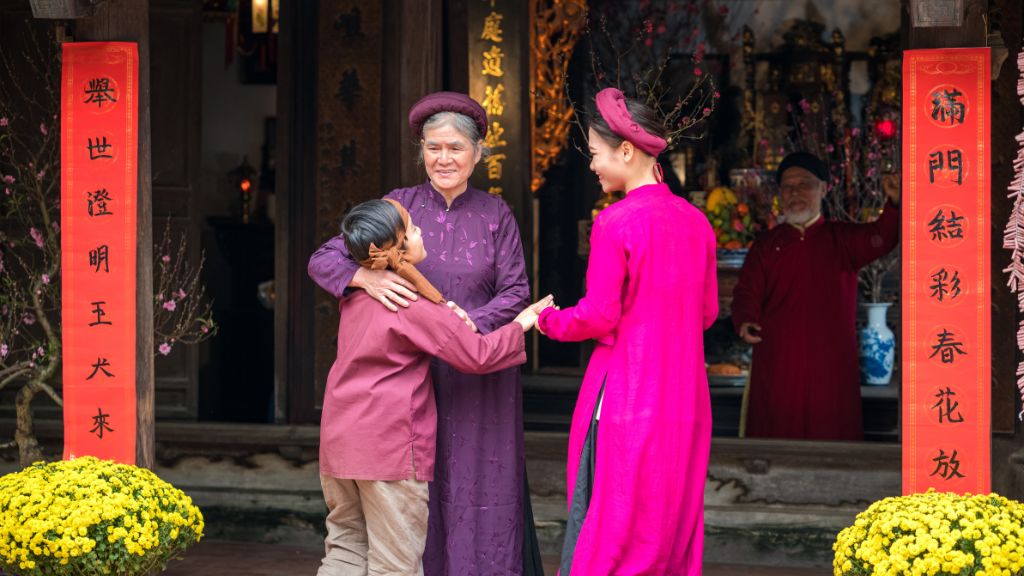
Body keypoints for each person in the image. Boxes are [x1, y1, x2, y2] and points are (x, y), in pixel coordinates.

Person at [307, 92, 542, 575]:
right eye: (434, 148)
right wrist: (365, 277)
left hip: (479, 374)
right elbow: (324, 258)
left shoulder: (497, 214)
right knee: (406, 497)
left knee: (476, 488)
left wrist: (468, 322)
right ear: (421, 152)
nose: (444, 158)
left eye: (456, 148)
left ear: (479, 152)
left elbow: (516, 290)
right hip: (406, 382)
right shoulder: (400, 208)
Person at [538, 87, 719, 575]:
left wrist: (546, 320)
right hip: (683, 398)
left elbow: (598, 315)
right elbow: (706, 314)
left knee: (610, 522)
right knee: (670, 520)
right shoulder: (698, 222)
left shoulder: (615, 222)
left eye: (595, 154)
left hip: (626, 395)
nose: (592, 166)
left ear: (625, 150)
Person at [731, 152, 901, 440]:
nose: (796, 192)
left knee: (830, 431)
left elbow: (883, 237)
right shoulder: (766, 246)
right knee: (776, 435)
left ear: (823, 188)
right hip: (778, 360)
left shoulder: (842, 239)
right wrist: (746, 320)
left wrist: (894, 203)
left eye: (805, 184)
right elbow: (746, 291)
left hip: (830, 363)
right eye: (788, 186)